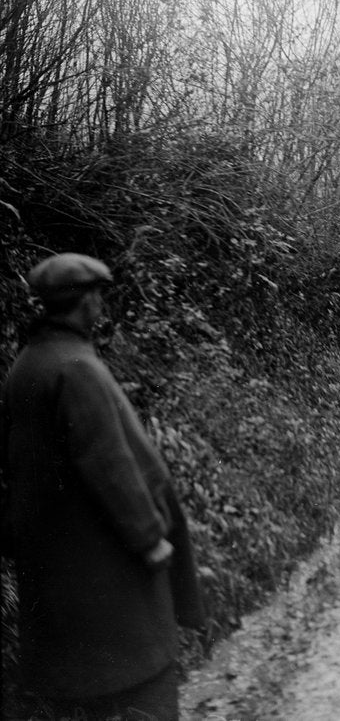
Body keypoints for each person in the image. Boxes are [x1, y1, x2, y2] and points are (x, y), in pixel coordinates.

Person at [1, 253, 206, 720]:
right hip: (107, 567)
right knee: (144, 683)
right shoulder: (77, 368)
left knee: (89, 692)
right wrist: (149, 538)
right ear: (85, 301)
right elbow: (108, 461)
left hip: (58, 571)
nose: (101, 305)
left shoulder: (26, 365)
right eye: (97, 295)